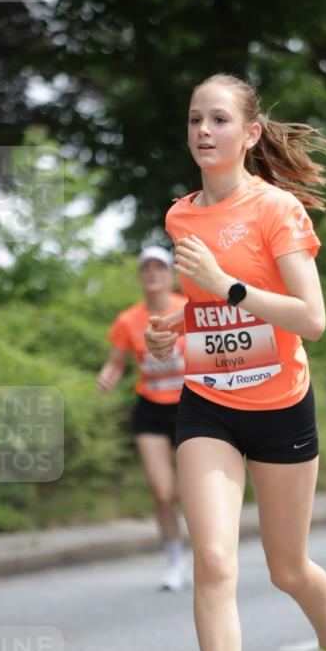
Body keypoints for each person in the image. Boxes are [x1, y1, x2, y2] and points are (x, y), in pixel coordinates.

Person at [144, 73, 326, 651]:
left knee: (286, 569)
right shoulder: (180, 217)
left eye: (217, 120)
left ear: (248, 133)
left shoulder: (276, 210)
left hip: (279, 407)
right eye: (193, 119)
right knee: (213, 560)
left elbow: (311, 319)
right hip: (206, 401)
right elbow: (206, 303)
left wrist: (226, 283)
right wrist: (172, 326)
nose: (203, 131)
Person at [97, 246, 191, 591]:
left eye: (159, 268)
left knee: (192, 492)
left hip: (191, 407)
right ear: (140, 277)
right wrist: (108, 374)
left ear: (170, 275)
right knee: (163, 491)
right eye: (146, 269)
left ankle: (207, 557)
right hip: (150, 409)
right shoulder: (128, 320)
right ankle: (175, 563)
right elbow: (116, 362)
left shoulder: (187, 309)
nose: (153, 274)